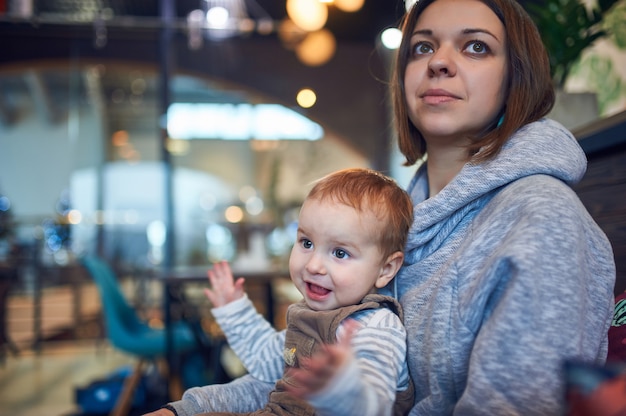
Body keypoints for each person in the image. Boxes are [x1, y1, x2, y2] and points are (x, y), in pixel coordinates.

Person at [147, 0, 616, 414]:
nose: (440, 63)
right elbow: (289, 380)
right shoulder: (395, 218)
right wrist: (185, 410)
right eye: (422, 47)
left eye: (475, 47)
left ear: (518, 76)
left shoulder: (541, 216)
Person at [146, 168, 414, 416]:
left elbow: (377, 400)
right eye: (306, 243)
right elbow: (266, 361)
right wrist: (233, 309)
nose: (313, 265)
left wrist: (343, 387)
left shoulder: (375, 327)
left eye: (340, 252)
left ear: (385, 269)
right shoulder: (310, 316)